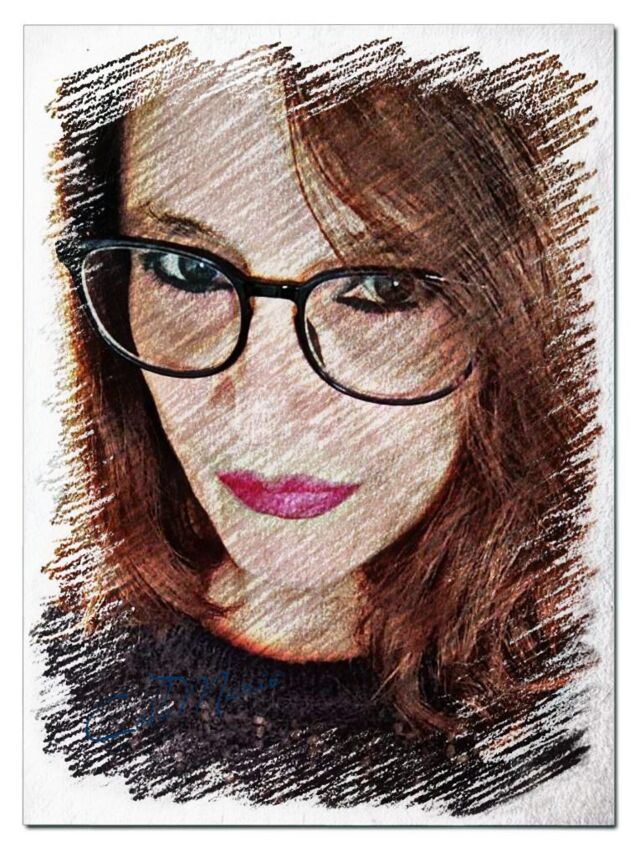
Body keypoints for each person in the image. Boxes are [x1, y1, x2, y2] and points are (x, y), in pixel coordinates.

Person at [37, 38, 598, 812]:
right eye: (187, 270)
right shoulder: (41, 684)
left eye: (382, 290)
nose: (261, 414)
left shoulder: (593, 724)